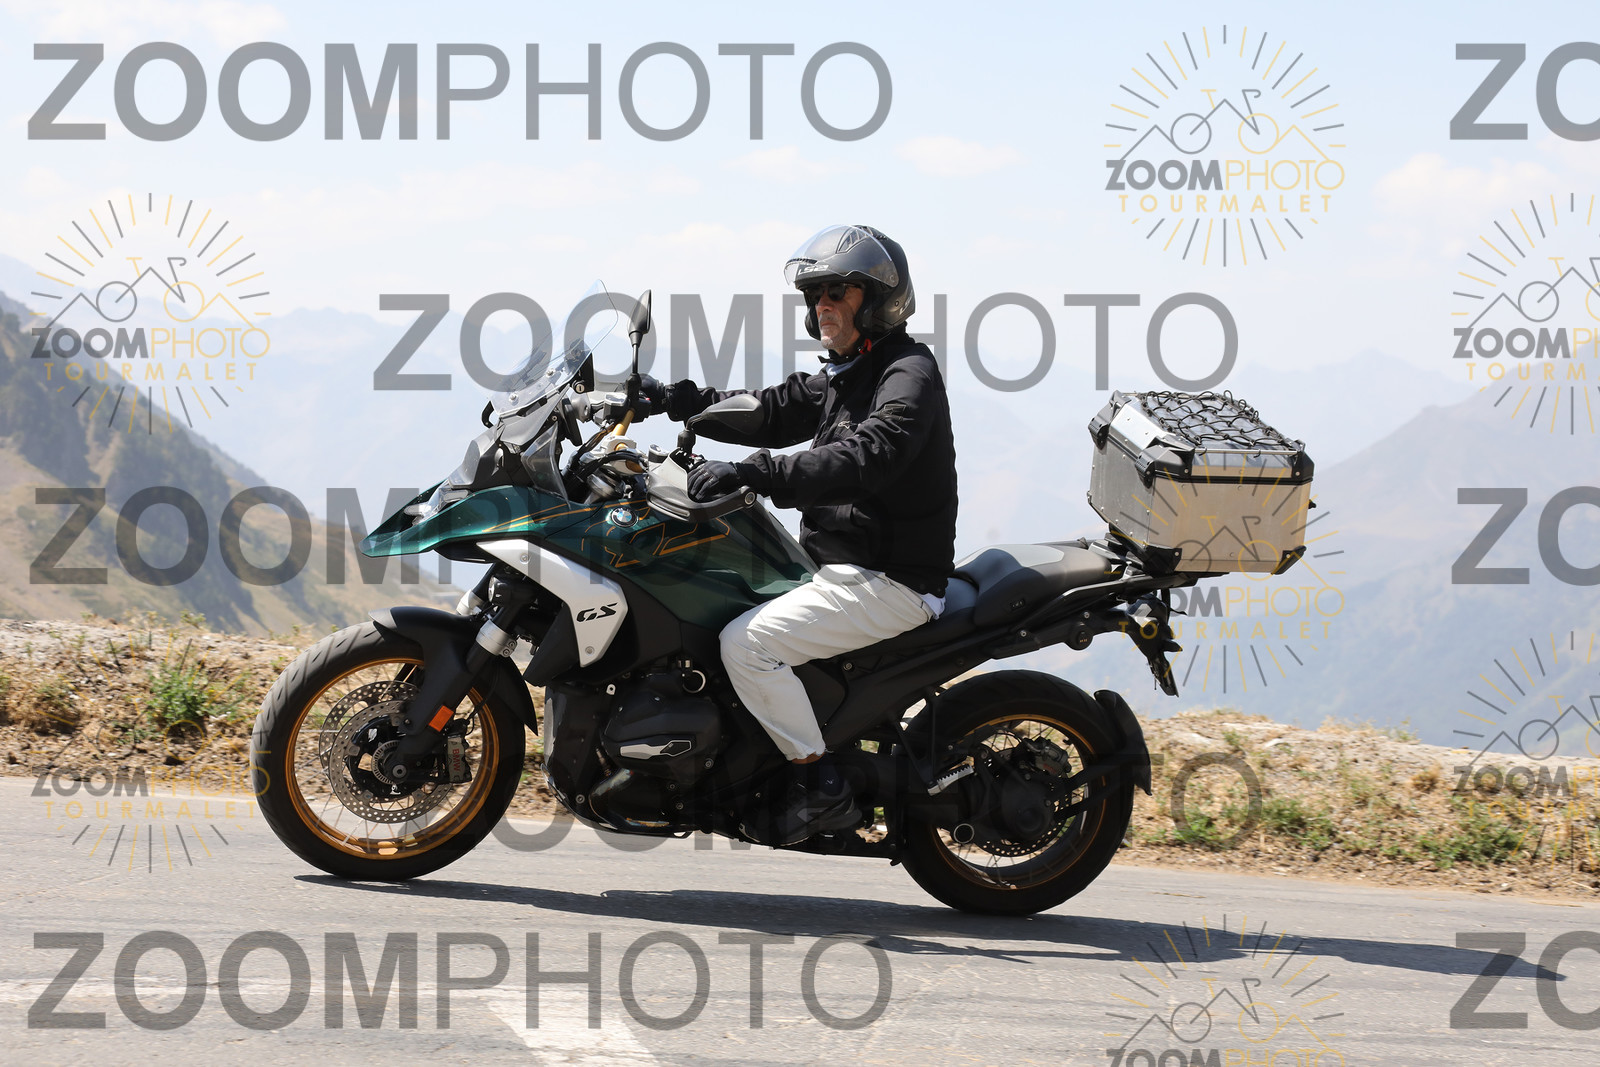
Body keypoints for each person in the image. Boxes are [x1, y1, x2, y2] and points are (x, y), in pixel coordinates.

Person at [638, 224, 958, 845]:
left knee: (747, 646)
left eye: (838, 291)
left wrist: (753, 472)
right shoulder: (849, 371)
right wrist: (674, 400)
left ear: (879, 299)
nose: (823, 304)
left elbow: (871, 453)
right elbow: (772, 409)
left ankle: (820, 784)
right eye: (815, 294)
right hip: (834, 567)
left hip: (888, 580)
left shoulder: (907, 374)